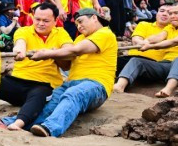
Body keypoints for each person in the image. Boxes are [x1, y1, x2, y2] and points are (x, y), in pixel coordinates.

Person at [24, 8, 117, 137]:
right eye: (77, 24)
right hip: (71, 83)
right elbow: (67, 65)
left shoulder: (105, 33)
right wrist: (55, 54)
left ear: (94, 18)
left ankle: (50, 128)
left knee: (73, 93)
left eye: (81, 21)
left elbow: (76, 51)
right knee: (51, 100)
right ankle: (25, 125)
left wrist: (48, 53)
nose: (79, 26)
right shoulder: (79, 39)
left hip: (96, 85)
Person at [0, 3, 73, 131]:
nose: (40, 23)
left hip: (43, 84)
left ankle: (18, 123)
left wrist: (51, 53)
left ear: (55, 20)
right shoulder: (23, 31)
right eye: (37, 19)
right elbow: (20, 43)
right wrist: (19, 51)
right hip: (16, 82)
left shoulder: (61, 33)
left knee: (40, 94)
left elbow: (68, 55)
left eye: (46, 21)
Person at [114, 3, 178, 98]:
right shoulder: (170, 27)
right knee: (136, 61)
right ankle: (120, 86)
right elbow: (159, 37)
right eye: (171, 13)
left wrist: (150, 46)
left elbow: (174, 41)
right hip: (166, 64)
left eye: (176, 13)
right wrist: (145, 41)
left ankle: (168, 89)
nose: (172, 16)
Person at [116, 5, 170, 73]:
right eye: (162, 11)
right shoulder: (144, 24)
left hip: (154, 63)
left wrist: (148, 44)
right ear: (157, 13)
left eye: (169, 13)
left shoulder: (173, 30)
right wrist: (145, 43)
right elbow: (136, 40)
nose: (164, 14)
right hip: (132, 58)